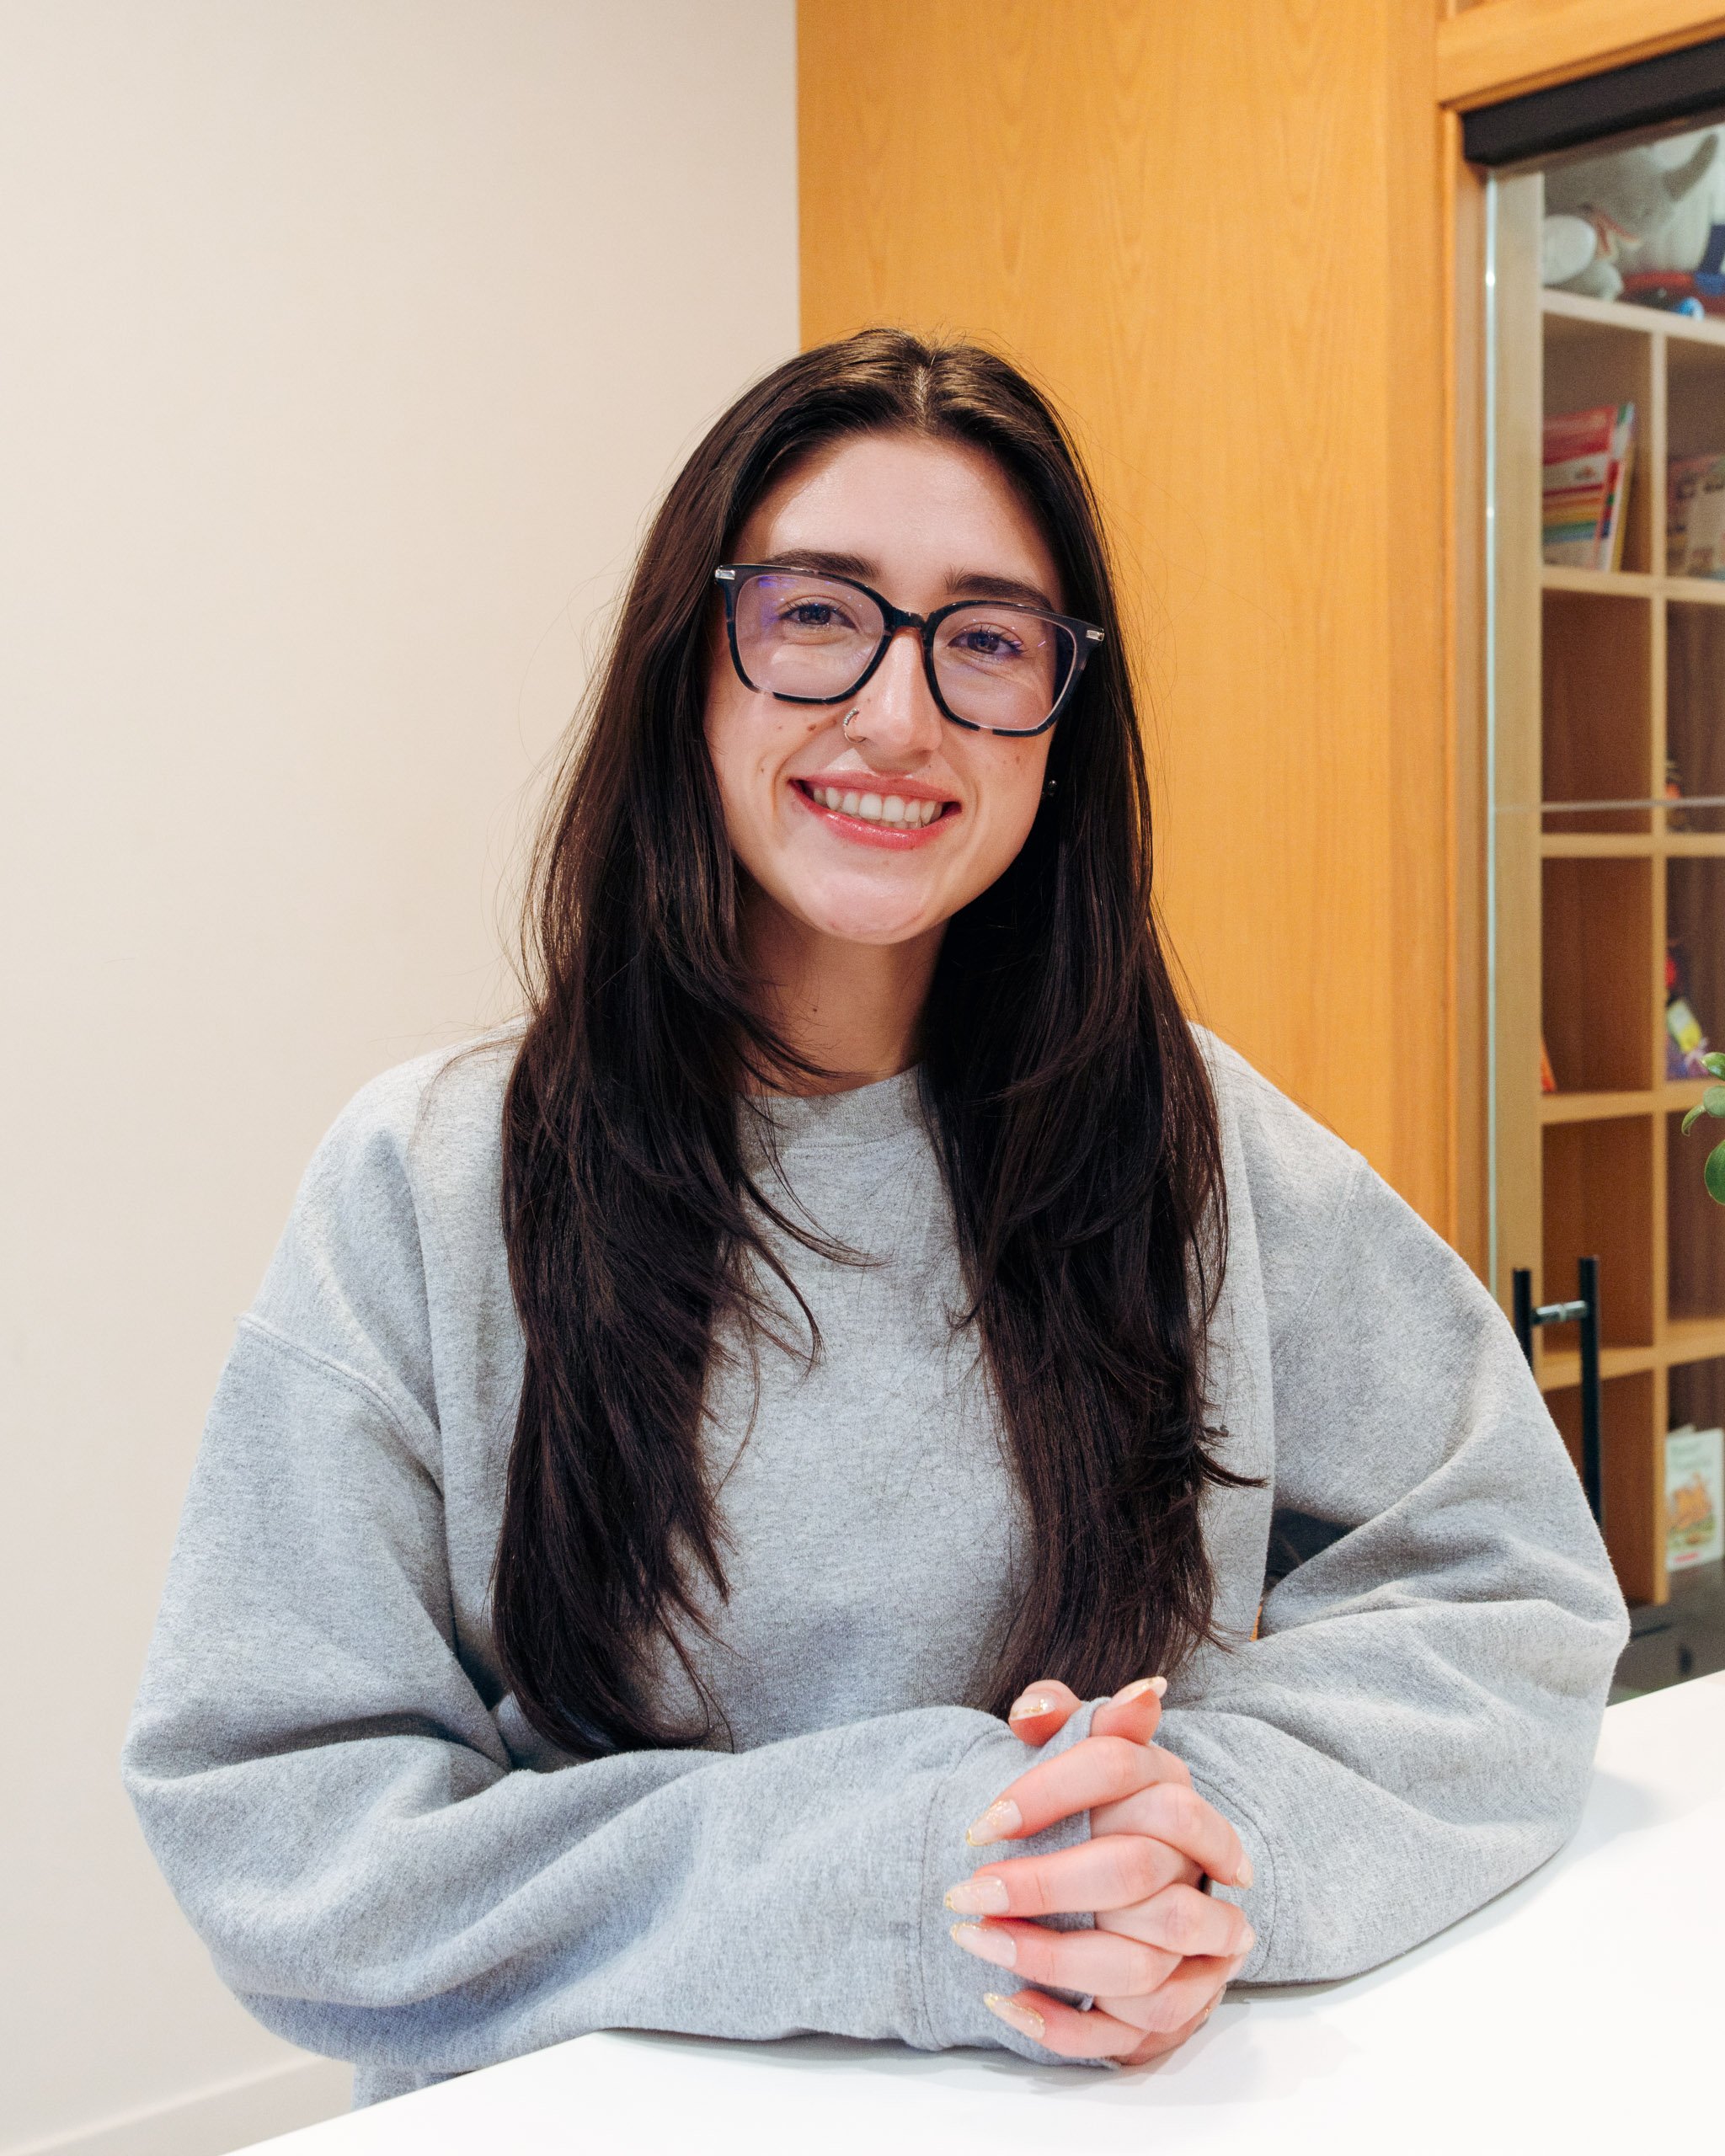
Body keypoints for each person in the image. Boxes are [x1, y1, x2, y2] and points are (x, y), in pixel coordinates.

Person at [121, 330, 1628, 2108]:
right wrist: (917, 1876)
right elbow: (279, 1830)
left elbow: (1513, 1591)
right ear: (695, 662)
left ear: (1060, 724)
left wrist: (1186, 1854)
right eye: (820, 614)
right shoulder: (433, 1180)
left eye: (987, 639)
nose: (899, 715)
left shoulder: (1187, 1137)